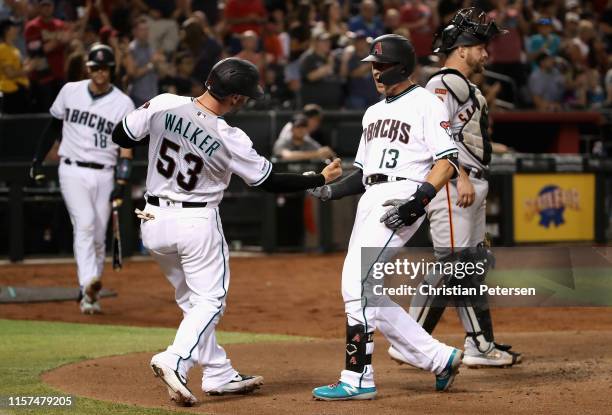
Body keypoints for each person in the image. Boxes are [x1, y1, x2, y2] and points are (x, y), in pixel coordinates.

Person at [110, 57, 342, 406]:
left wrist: (172, 134)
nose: (246, 101)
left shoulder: (163, 103)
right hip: (195, 223)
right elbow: (269, 182)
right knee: (210, 302)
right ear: (234, 97)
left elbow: (120, 134)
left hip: (153, 219)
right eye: (245, 96)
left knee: (192, 302)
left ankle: (218, 373)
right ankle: (175, 359)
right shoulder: (229, 136)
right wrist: (318, 178)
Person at [309, 34, 462, 400]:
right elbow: (362, 175)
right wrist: (330, 190)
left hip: (402, 195)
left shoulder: (426, 102)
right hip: (371, 198)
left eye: (383, 65)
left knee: (355, 284)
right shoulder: (372, 111)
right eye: (373, 66)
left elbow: (447, 162)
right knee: (371, 293)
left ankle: (358, 377)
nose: (376, 72)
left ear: (404, 66)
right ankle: (439, 358)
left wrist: (417, 202)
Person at [388, 8, 523, 369]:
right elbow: (439, 136)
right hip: (452, 185)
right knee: (453, 266)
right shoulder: (441, 83)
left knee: (471, 267)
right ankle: (409, 340)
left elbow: (465, 133)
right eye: (480, 47)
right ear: (462, 49)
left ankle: (480, 344)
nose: (485, 54)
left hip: (469, 182)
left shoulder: (461, 85)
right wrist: (458, 174)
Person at [29, 44, 135, 314]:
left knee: (99, 236)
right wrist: (37, 160)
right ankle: (87, 280)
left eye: (105, 68)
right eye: (95, 67)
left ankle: (90, 295)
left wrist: (122, 183)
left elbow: (126, 147)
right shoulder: (70, 91)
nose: (100, 72)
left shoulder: (123, 103)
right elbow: (53, 127)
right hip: (72, 169)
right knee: (86, 224)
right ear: (88, 68)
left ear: (112, 70)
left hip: (104, 173)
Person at [0, 17, 30, 113]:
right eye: (14, 27)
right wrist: (29, 69)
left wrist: (28, 63)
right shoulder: (3, 49)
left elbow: (18, 67)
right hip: (10, 92)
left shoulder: (13, 49)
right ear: (7, 30)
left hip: (19, 90)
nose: (17, 30)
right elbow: (10, 73)